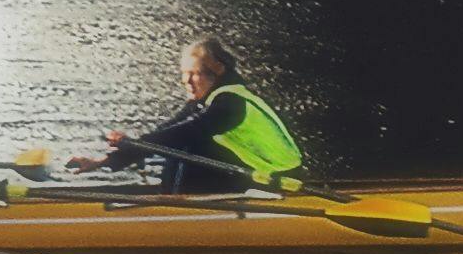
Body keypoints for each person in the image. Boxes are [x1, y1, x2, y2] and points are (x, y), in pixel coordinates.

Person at [87, 39, 307, 197]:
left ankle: (176, 211)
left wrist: (134, 145)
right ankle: (172, 202)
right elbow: (167, 131)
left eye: (194, 73)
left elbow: (181, 134)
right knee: (180, 142)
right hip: (253, 175)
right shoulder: (206, 101)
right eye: (184, 73)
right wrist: (107, 160)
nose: (186, 81)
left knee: (189, 144)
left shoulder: (230, 103)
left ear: (217, 70)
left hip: (280, 182)